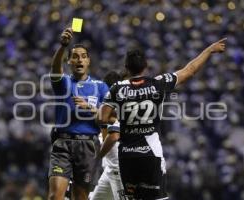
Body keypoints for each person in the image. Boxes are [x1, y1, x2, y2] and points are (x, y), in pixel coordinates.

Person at [97, 38, 226, 199]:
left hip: (126, 156)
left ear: (126, 68)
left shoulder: (117, 89)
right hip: (151, 154)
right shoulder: (157, 83)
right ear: (146, 66)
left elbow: (102, 117)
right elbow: (189, 70)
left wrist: (112, 123)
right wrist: (209, 50)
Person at [48, 27, 109, 200]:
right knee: (55, 197)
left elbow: (110, 117)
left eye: (83, 56)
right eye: (75, 56)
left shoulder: (101, 87)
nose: (79, 60)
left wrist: (90, 108)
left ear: (89, 61)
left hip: (88, 146)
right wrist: (62, 47)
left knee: (80, 197)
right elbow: (54, 68)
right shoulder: (63, 82)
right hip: (63, 144)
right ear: (69, 61)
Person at [90, 71, 124, 200]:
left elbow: (113, 137)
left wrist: (98, 156)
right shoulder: (112, 106)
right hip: (109, 169)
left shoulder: (117, 107)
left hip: (118, 168)